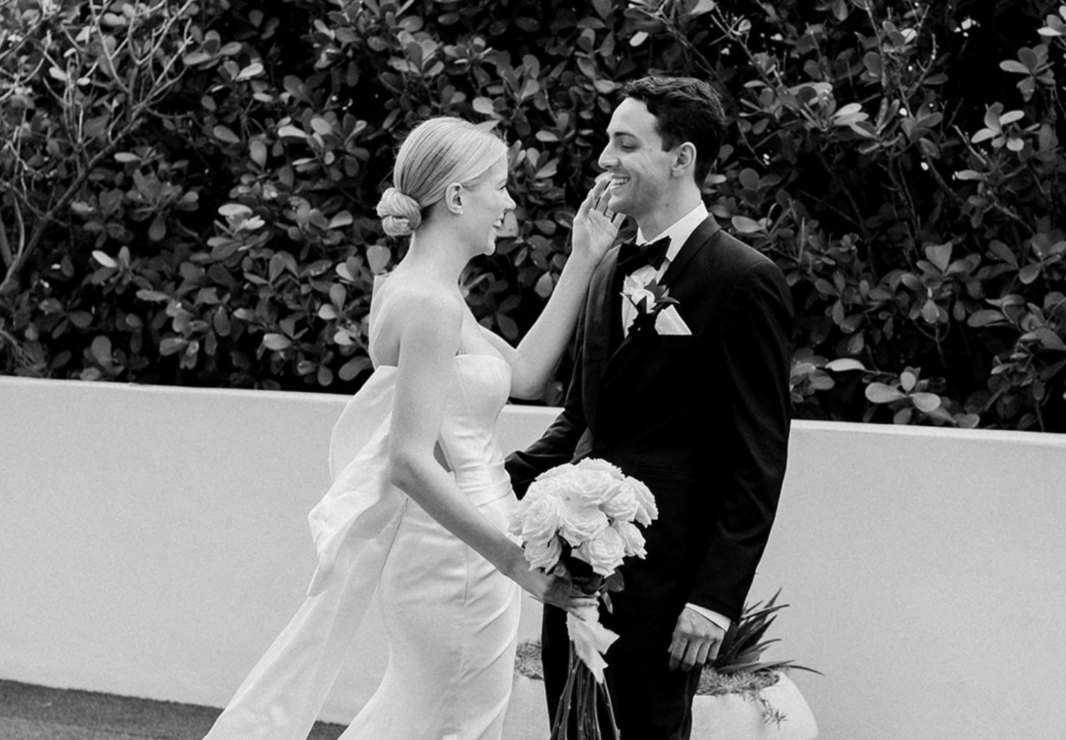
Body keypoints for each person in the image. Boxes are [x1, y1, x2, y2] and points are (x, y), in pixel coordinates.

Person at [202, 116, 623, 740]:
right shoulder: (428, 304)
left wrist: (584, 256)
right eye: (500, 187)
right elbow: (408, 459)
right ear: (456, 198)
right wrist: (520, 566)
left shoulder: (425, 293)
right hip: (459, 558)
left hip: (461, 546)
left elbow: (528, 373)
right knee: (455, 722)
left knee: (428, 717)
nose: (508, 204)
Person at [506, 76, 794, 740]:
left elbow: (758, 460)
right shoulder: (606, 268)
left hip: (668, 589)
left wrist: (715, 600)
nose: (605, 159)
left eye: (625, 143)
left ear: (681, 158)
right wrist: (481, 480)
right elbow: (580, 419)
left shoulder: (744, 280)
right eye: (607, 141)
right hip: (572, 574)